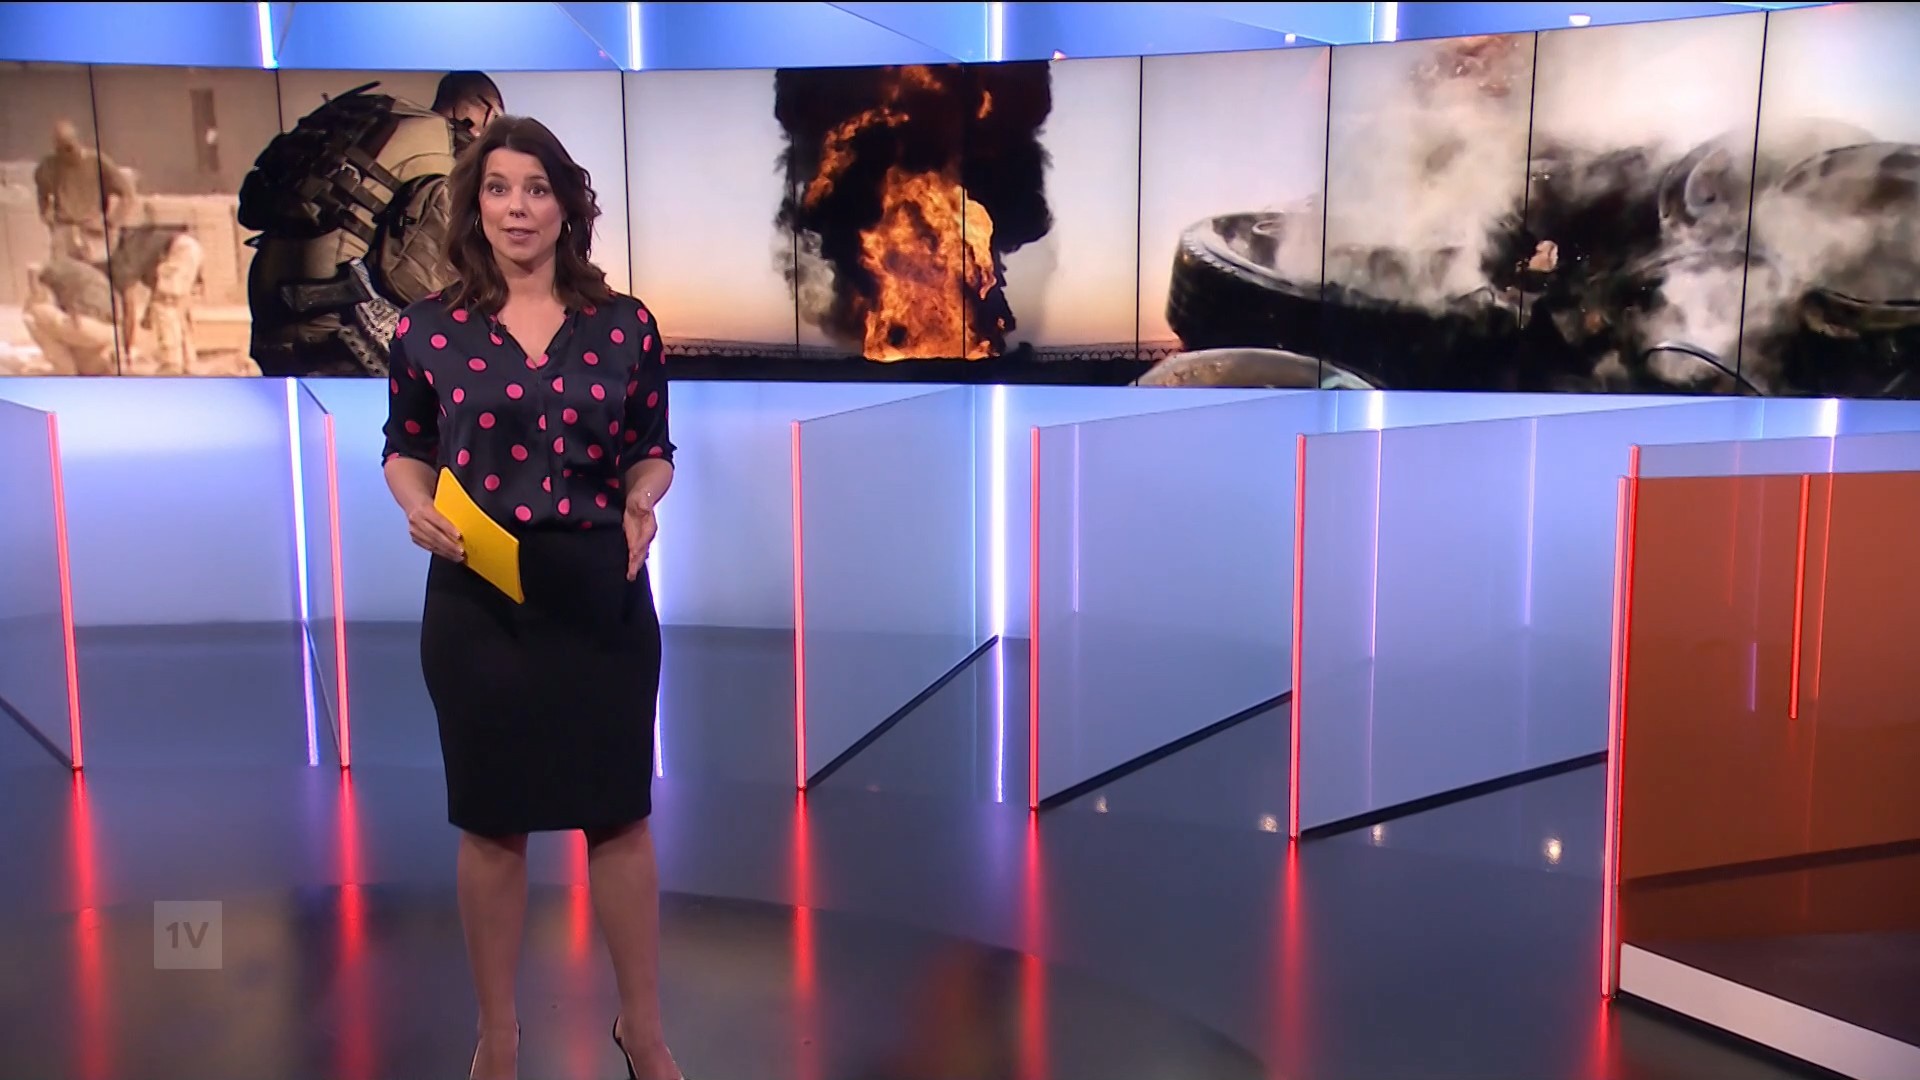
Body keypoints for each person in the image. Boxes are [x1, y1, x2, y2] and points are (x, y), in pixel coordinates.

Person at [379, 116, 682, 1080]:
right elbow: (405, 445)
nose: (518, 208)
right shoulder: (428, 328)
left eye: (537, 189)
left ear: (566, 207)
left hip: (601, 596)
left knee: (619, 816)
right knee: (493, 820)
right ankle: (498, 1036)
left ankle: (644, 1030)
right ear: (475, 206)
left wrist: (642, 497)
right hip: (479, 599)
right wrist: (417, 506)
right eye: (500, 188)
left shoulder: (624, 324)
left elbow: (652, 447)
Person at [244, 71, 505, 377]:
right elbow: (413, 283)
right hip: (335, 328)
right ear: (485, 113)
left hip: (269, 310)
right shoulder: (447, 154)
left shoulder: (381, 118)